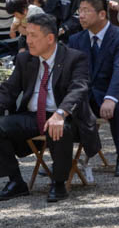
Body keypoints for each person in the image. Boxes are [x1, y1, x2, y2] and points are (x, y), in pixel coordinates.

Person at [0, 12, 96, 202]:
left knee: (57, 127)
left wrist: (61, 113)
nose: (28, 41)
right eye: (27, 35)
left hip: (67, 117)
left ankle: (58, 183)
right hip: (33, 116)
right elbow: (9, 91)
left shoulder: (75, 58)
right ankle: (16, 181)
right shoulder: (25, 59)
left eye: (33, 36)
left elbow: (79, 89)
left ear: (50, 38)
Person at [67, 0, 119, 180]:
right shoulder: (76, 39)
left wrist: (111, 98)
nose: (81, 15)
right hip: (88, 96)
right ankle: (65, 159)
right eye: (79, 11)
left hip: (117, 93)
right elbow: (74, 75)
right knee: (63, 109)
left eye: (86, 11)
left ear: (102, 14)